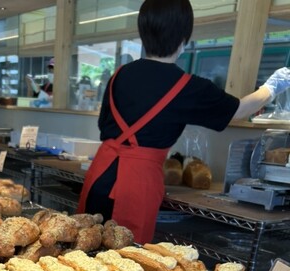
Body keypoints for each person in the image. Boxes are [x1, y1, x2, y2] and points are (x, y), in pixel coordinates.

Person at [77, 0, 290, 244]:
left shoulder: (119, 75)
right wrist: (271, 88)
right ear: (183, 38)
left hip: (100, 173)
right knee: (125, 255)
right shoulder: (188, 87)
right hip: (137, 183)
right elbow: (238, 110)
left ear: (143, 32)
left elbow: (104, 126)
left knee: (85, 248)